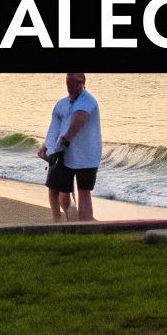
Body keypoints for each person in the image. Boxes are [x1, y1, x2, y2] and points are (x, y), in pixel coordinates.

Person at [37, 72, 101, 222]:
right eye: (69, 80)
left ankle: (85, 224)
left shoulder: (88, 101)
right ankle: (58, 219)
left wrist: (62, 143)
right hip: (62, 153)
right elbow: (55, 127)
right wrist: (47, 145)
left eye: (77, 81)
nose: (72, 84)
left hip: (86, 156)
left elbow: (76, 123)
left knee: (84, 192)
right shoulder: (61, 104)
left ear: (83, 82)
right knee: (56, 186)